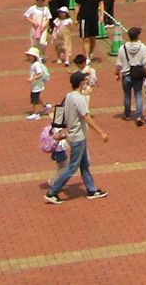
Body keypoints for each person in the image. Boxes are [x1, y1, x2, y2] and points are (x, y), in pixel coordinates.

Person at [44, 69, 109, 202]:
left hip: (76, 136)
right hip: (78, 137)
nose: (86, 83)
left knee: (84, 165)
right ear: (80, 83)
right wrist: (101, 132)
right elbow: (86, 116)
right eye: (85, 81)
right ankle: (53, 192)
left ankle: (92, 190)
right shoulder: (78, 98)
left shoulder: (69, 96)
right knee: (72, 167)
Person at [117, 27, 146, 124]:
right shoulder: (143, 47)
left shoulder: (122, 48)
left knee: (127, 95)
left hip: (126, 75)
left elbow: (119, 64)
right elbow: (145, 63)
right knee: (138, 95)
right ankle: (139, 116)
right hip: (138, 75)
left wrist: (117, 73)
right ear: (138, 36)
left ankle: (127, 114)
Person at [26, 46, 51, 119]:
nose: (29, 57)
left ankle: (36, 113)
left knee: (34, 99)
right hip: (35, 85)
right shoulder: (34, 64)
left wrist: (32, 79)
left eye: (30, 56)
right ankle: (45, 106)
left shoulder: (36, 64)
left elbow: (40, 74)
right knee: (36, 97)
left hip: (37, 85)